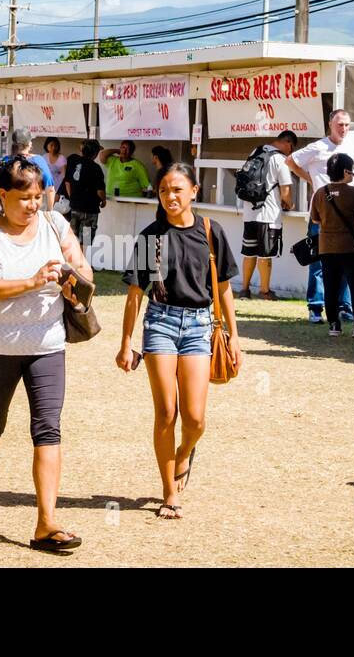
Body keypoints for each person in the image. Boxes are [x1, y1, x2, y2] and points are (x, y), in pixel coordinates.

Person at [0, 155, 92, 552]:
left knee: (48, 429)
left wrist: (74, 286)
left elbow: (86, 274)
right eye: (25, 198)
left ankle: (46, 522)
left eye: (38, 196)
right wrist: (31, 282)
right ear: (3, 195)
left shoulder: (55, 225)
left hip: (48, 346)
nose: (34, 205)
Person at [116, 163, 242, 520]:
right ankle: (169, 492)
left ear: (194, 191)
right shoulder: (150, 236)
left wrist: (234, 336)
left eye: (176, 190)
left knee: (196, 418)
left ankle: (184, 452)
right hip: (161, 323)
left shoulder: (211, 231)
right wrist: (126, 342)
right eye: (163, 191)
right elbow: (135, 293)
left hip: (201, 326)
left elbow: (224, 288)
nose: (170, 197)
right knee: (166, 413)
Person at [287, 109, 354, 325]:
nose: (343, 128)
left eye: (346, 124)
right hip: (322, 214)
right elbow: (291, 160)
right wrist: (310, 179)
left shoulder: (352, 147)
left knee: (346, 260)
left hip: (345, 215)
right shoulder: (318, 147)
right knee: (318, 260)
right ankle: (316, 307)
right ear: (330, 124)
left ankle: (344, 306)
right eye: (339, 124)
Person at [309, 153, 354, 338]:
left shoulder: (320, 193)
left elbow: (314, 219)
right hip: (350, 247)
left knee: (330, 286)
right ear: (345, 171)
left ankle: (334, 325)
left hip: (327, 247)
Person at [237, 131, 296, 301]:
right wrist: (289, 203)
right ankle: (264, 291)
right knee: (265, 255)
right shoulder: (280, 159)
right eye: (291, 149)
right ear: (288, 143)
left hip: (249, 213)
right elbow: (285, 190)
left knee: (249, 253)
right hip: (268, 214)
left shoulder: (255, 152)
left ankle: (244, 290)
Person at [0, 129, 56, 209]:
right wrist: (50, 211)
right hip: (32, 208)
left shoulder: (3, 161)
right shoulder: (38, 160)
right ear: (29, 144)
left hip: (10, 209)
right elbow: (50, 189)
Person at [63, 139, 106, 251]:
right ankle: (81, 262)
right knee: (85, 240)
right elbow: (100, 192)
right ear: (96, 153)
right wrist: (104, 200)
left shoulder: (73, 161)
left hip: (74, 208)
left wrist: (72, 197)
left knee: (73, 238)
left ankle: (74, 262)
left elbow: (67, 182)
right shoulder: (96, 168)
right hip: (90, 210)